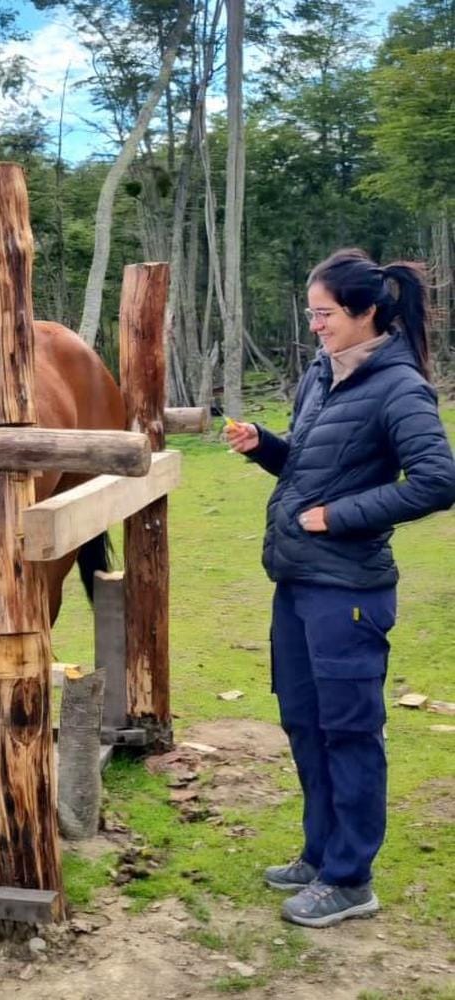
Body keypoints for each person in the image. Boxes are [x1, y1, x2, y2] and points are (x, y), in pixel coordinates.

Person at [226, 248, 455, 929]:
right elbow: (311, 465)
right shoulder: (322, 377)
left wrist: (339, 516)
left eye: (324, 314)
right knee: (304, 722)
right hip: (297, 581)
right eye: (311, 314)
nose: (315, 326)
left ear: (366, 312)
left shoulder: (399, 387)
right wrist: (265, 445)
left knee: (350, 731)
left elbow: (438, 479)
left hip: (347, 589)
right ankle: (321, 852)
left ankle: (352, 878)